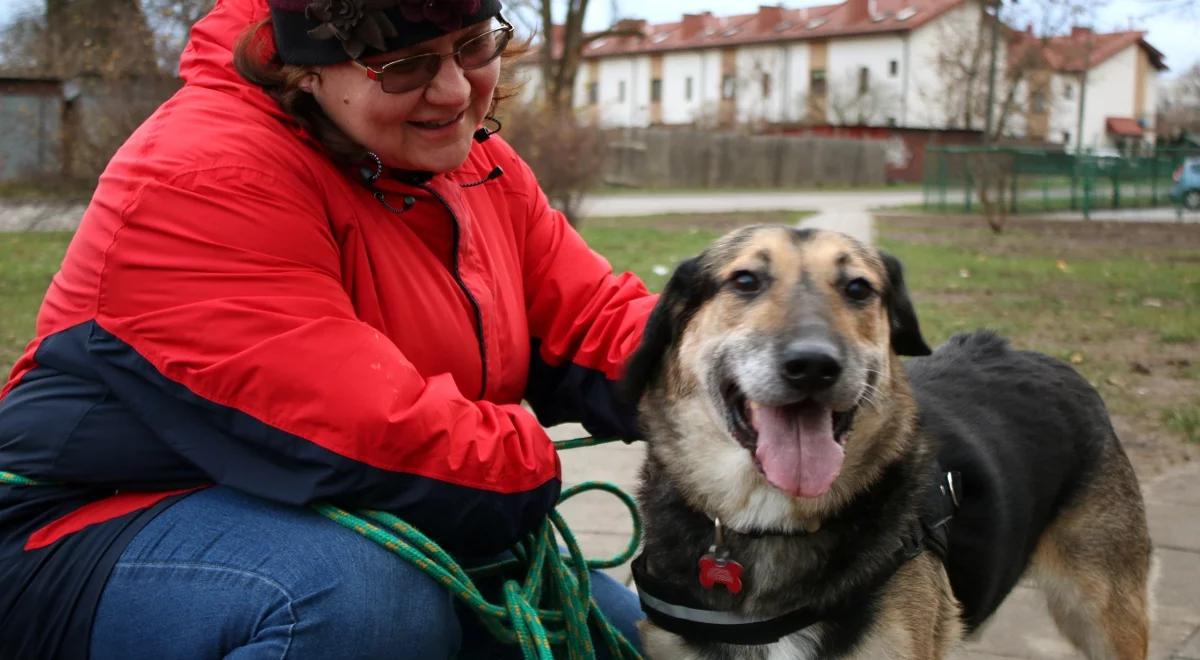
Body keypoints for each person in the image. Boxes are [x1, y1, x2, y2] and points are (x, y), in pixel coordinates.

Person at [0, 0, 656, 656]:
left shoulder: (472, 162)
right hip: (85, 531)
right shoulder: (203, 174)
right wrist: (529, 463)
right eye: (404, 67)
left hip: (337, 516)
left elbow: (590, 318)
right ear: (305, 70)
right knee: (355, 600)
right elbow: (365, 432)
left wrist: (724, 369)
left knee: (625, 639)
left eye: (474, 45)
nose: (456, 89)